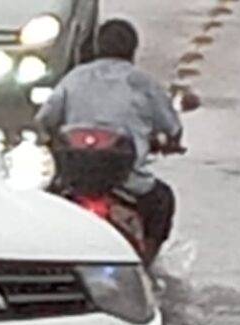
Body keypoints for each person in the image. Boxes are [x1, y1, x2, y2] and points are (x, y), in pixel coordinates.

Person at [36, 19, 183, 257]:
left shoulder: (75, 78)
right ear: (133, 50)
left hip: (74, 177)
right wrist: (171, 143)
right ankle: (147, 259)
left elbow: (45, 119)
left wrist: (52, 138)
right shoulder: (142, 82)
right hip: (127, 183)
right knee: (162, 201)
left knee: (43, 206)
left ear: (96, 47)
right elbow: (173, 127)